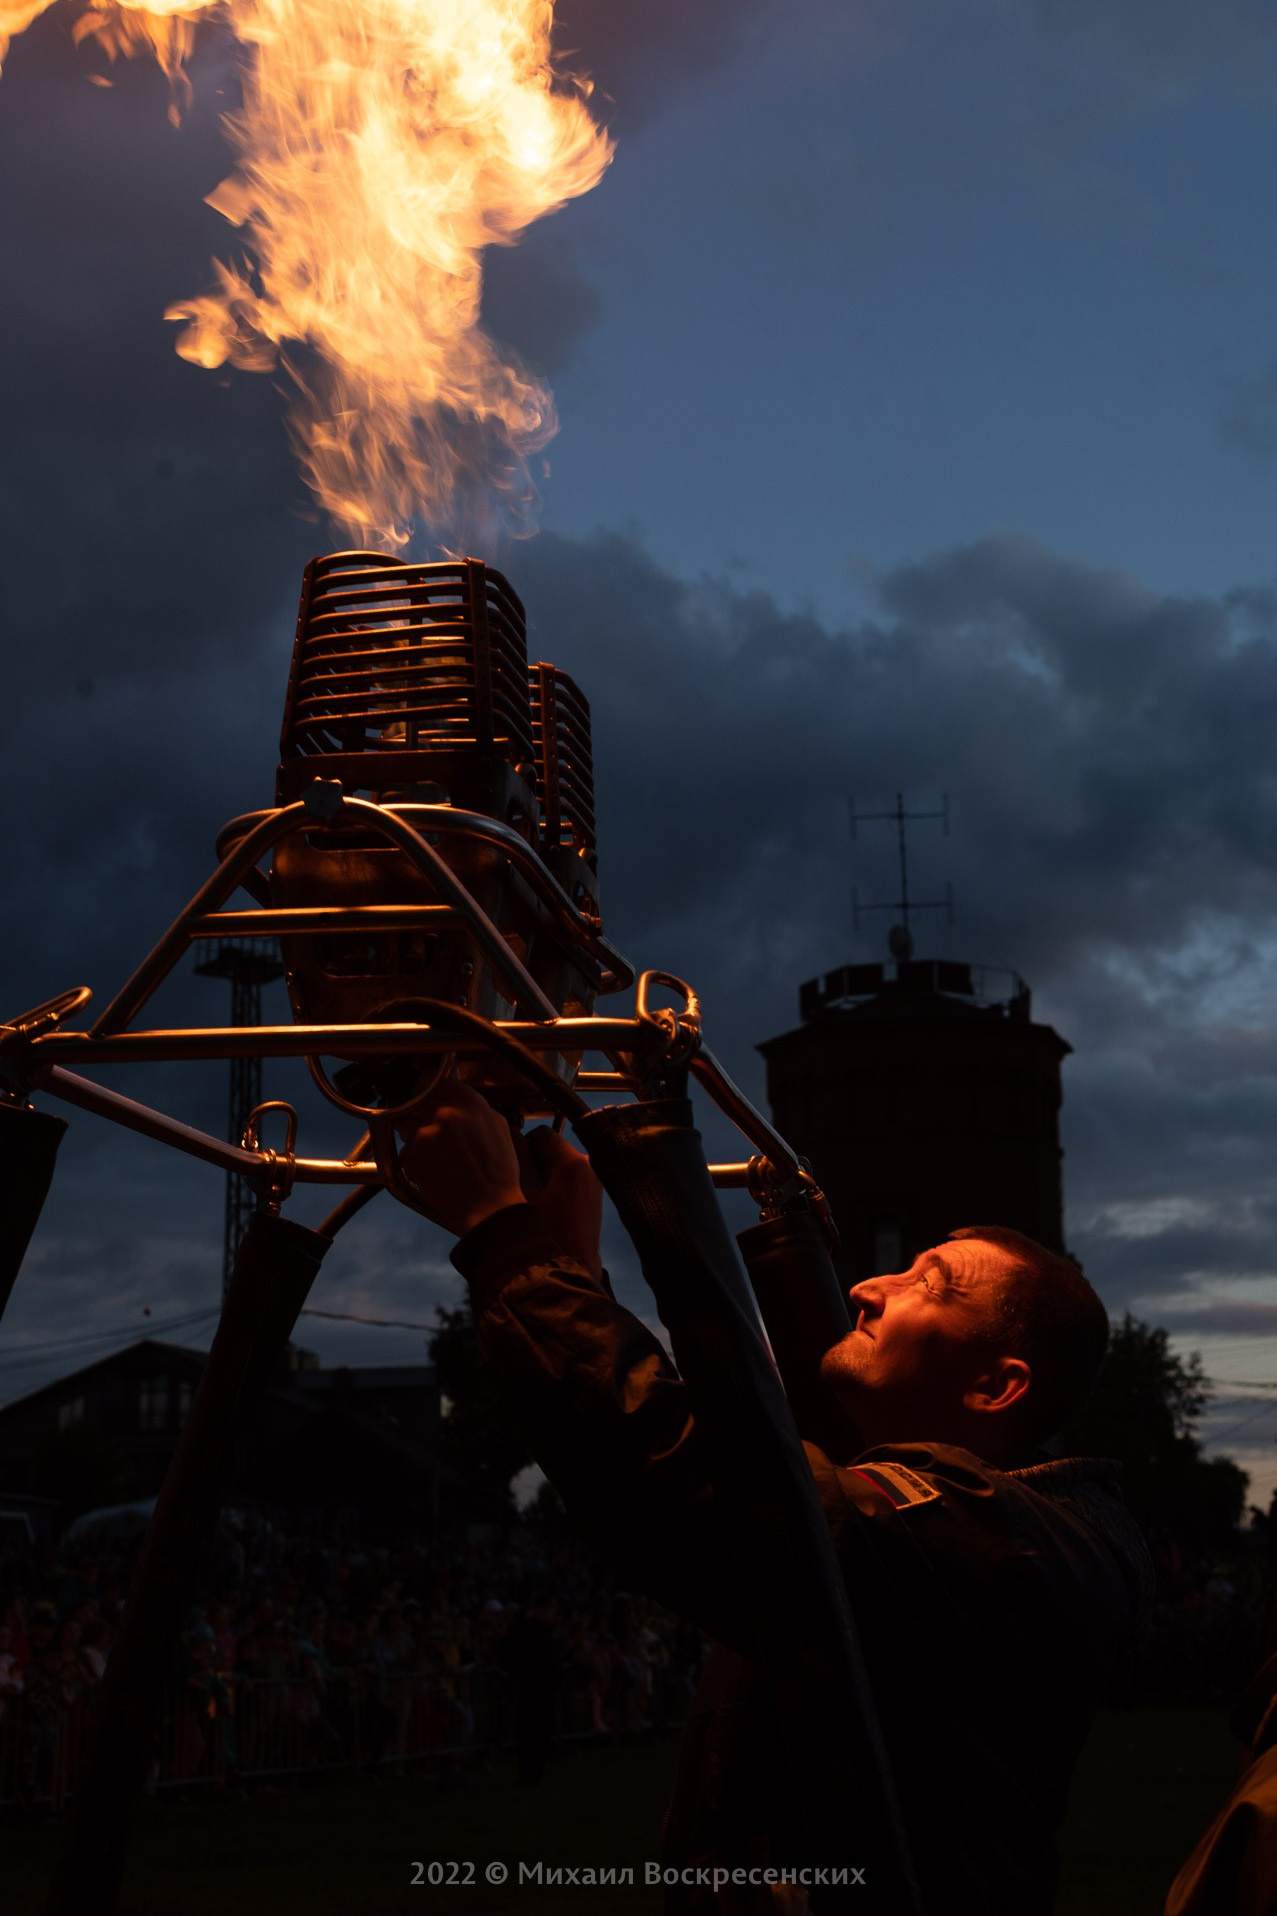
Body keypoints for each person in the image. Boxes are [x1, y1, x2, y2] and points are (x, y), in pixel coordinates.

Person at [400, 1079, 1151, 1914]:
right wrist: (569, 1268)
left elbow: (695, 1483)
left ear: (993, 1386)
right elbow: (748, 1456)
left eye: (927, 1285)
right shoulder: (1020, 1531)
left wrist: (504, 1235)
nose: (870, 1287)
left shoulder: (995, 1540)